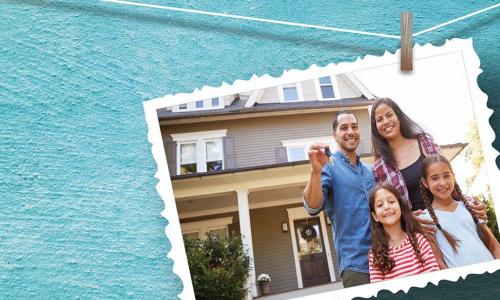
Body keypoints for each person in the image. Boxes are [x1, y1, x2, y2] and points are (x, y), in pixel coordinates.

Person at [370, 98, 487, 225]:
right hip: (418, 230)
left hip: (448, 219)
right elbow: (388, 206)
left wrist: (470, 204)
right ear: (375, 127)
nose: (386, 121)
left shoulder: (425, 142)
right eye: (379, 119)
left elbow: (448, 180)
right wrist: (407, 219)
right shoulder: (379, 167)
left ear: (398, 117)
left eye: (389, 115)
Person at [303, 110, 375, 287]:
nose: (350, 131)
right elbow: (312, 207)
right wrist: (315, 171)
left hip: (386, 257)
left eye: (354, 127)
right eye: (344, 128)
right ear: (335, 135)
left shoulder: (370, 170)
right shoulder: (328, 166)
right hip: (357, 265)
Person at [419, 154, 500, 267]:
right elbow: (439, 262)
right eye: (435, 178)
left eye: (446, 176)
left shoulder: (471, 208)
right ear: (425, 183)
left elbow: (494, 246)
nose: (442, 183)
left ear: (454, 176)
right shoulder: (425, 219)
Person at [368, 183, 439, 282]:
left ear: (400, 207)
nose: (386, 207)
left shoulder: (419, 241)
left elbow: (434, 277)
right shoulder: (376, 253)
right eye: (380, 205)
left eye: (391, 201)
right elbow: (378, 291)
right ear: (375, 216)